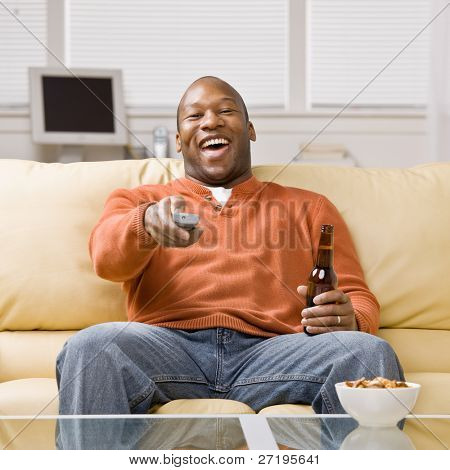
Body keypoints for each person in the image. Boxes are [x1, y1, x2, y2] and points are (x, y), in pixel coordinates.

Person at [56, 76, 405, 417]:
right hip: (168, 348)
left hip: (276, 351)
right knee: (91, 348)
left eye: (226, 111)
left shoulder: (310, 207)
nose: (211, 122)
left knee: (368, 353)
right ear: (179, 140)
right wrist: (145, 224)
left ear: (250, 130)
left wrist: (352, 320)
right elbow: (106, 260)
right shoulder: (142, 200)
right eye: (195, 116)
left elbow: (357, 294)